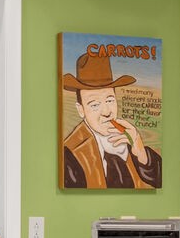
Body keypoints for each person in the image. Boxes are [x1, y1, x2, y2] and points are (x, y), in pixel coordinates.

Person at [60, 47, 163, 190]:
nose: (107, 112)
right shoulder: (70, 156)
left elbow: (160, 181)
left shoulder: (130, 140)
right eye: (95, 104)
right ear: (81, 110)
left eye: (110, 100)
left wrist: (141, 153)